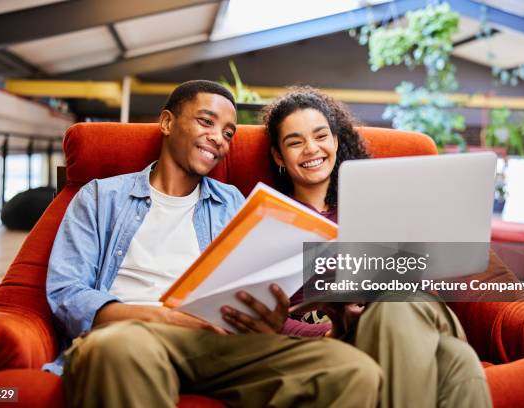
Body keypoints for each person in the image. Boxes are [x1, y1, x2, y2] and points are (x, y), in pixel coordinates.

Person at [45, 80, 381, 408]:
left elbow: (253, 288)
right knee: (118, 347)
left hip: (218, 344)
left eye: (228, 133)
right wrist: (166, 318)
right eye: (206, 122)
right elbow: (67, 292)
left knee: (352, 369)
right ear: (166, 122)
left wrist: (266, 316)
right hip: (130, 334)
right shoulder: (101, 197)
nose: (218, 138)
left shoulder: (233, 203)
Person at [256, 86, 492, 408]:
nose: (311, 149)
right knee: (459, 360)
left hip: (404, 314)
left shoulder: (377, 203)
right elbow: (261, 315)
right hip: (334, 341)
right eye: (295, 142)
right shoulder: (268, 219)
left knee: (396, 302)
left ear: (336, 142)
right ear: (278, 156)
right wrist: (329, 330)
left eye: (321, 136)